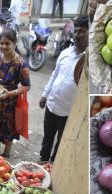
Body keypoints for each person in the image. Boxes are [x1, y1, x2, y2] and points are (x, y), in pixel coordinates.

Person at [39, 15, 88, 162]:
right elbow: (54, 75)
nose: (78, 35)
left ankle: (54, 166)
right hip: (52, 105)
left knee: (62, 142)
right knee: (47, 137)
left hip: (68, 113)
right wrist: (44, 95)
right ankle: (42, 161)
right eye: (76, 31)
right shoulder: (65, 53)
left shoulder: (88, 60)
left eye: (82, 31)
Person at [0, 28, 30, 157]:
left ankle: (6, 153)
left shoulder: (20, 63)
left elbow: (26, 86)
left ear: (15, 44)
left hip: (10, 102)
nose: (3, 46)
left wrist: (10, 93)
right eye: (1, 43)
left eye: (7, 43)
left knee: (8, 128)